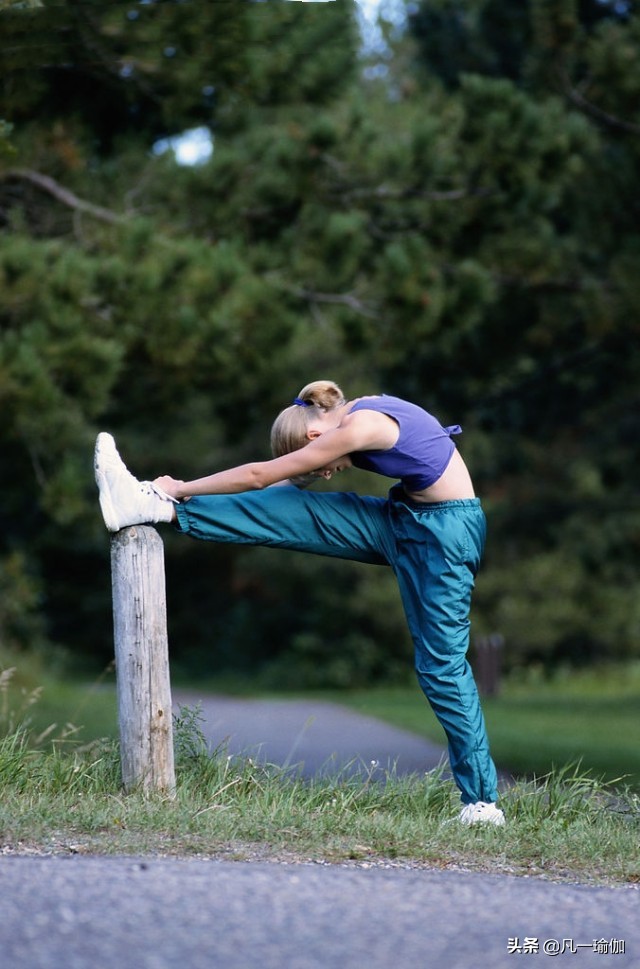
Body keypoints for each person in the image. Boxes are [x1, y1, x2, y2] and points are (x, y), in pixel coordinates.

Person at [95, 379, 505, 826]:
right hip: (405, 519)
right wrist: (177, 495)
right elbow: (276, 484)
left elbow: (257, 475)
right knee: (294, 507)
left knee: (441, 667)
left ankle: (482, 803)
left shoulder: (359, 427)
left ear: (315, 438)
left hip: (445, 537)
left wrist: (181, 482)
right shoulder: (353, 410)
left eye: (321, 467)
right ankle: (152, 505)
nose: (328, 473)